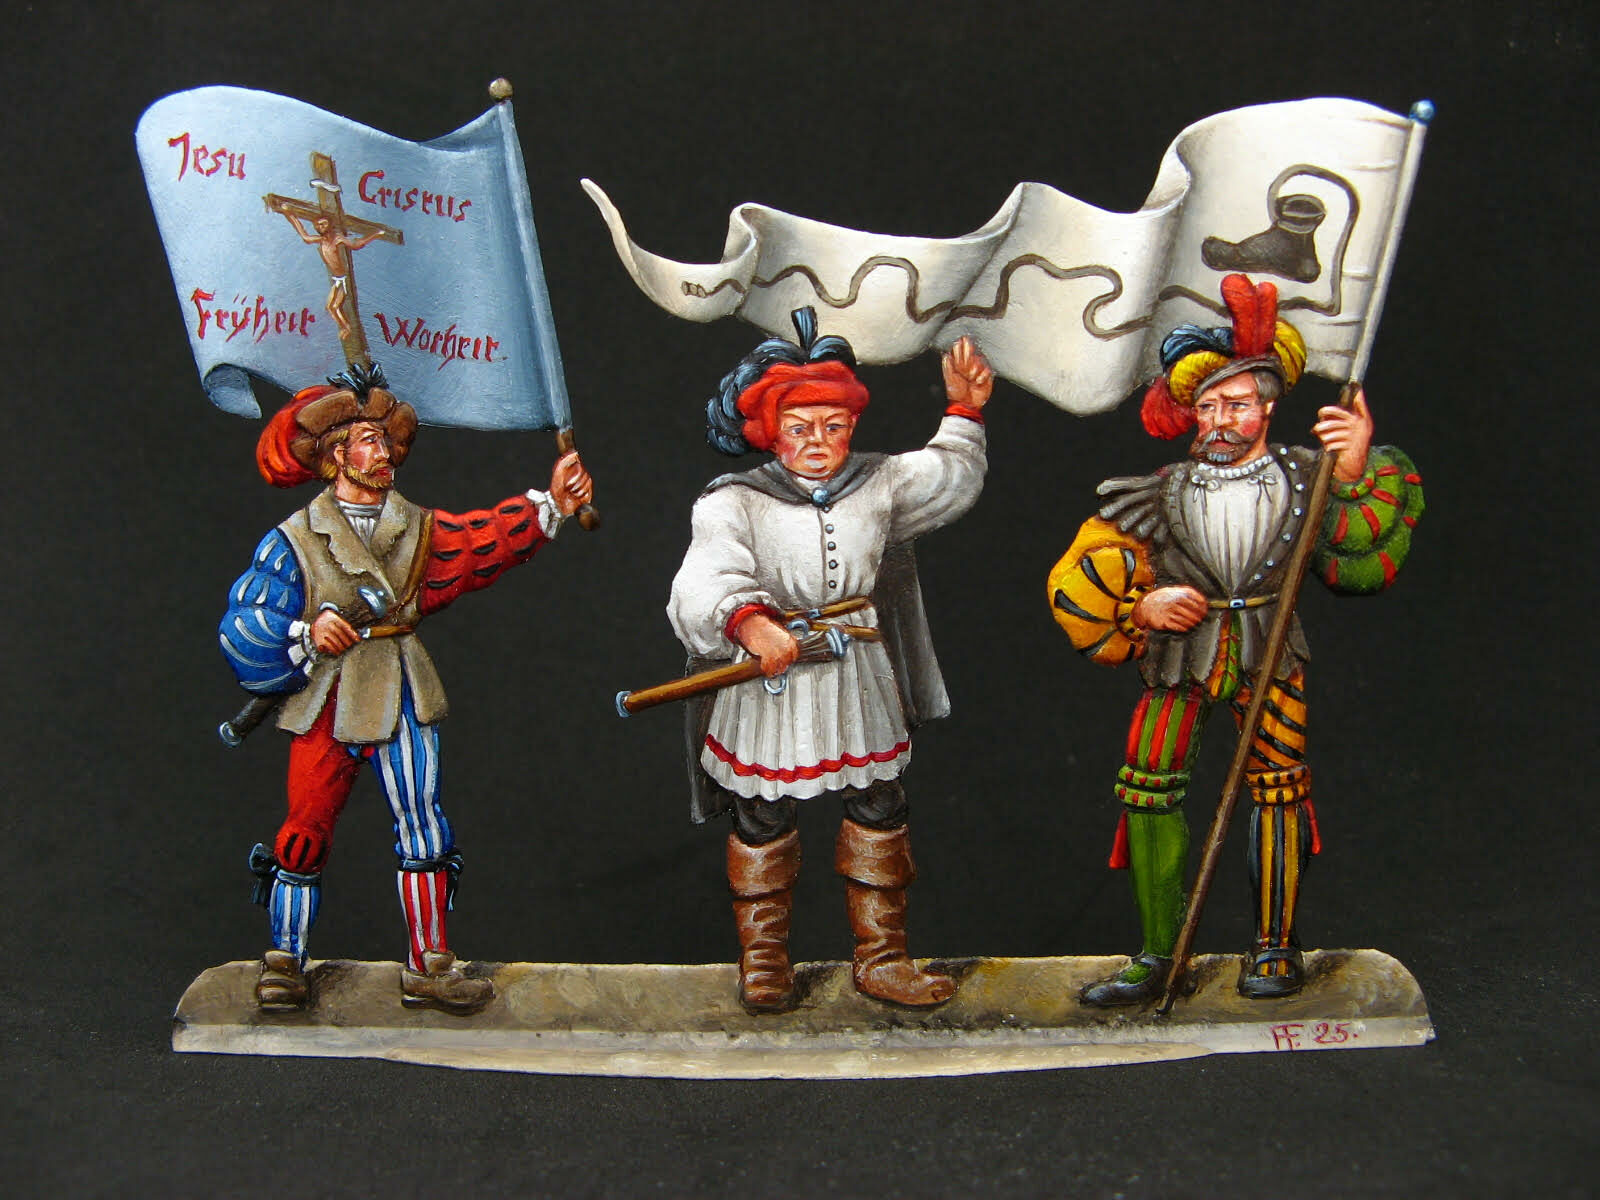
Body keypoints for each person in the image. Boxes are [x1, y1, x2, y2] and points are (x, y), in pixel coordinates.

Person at [1048, 274, 1423, 1003]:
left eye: (1239, 404)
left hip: (1270, 651)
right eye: (1210, 406)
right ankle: (1157, 954)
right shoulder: (1159, 491)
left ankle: (1275, 949)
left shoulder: (1311, 478)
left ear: (1268, 406)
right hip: (1179, 658)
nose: (1222, 419)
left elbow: (1358, 558)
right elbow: (1076, 574)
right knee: (1148, 785)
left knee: (1279, 788)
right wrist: (1142, 605)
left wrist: (1354, 471)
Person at [220, 361, 593, 1013]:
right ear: (336, 456)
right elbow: (246, 620)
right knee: (304, 833)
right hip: (327, 698)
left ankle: (430, 965)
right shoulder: (293, 540)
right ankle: (284, 959)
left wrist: (550, 505)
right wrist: (306, 631)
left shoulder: (418, 529)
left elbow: (479, 543)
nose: (384, 452)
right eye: (367, 440)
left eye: (384, 439)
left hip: (400, 692)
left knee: (424, 829)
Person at [669, 308, 992, 1013]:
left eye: (834, 426)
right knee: (761, 812)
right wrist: (751, 623)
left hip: (856, 673)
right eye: (800, 427)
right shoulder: (734, 502)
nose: (818, 442)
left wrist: (964, 411)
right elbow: (702, 580)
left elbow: (948, 478)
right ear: (770, 429)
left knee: (879, 803)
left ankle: (882, 959)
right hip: (771, 682)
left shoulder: (878, 482)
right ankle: (764, 963)